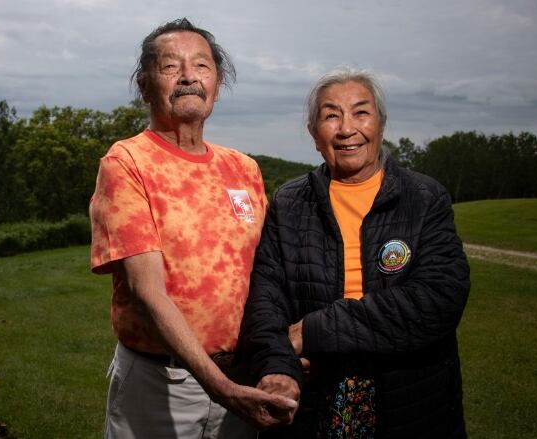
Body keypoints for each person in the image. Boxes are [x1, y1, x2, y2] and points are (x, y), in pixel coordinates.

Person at [89, 17, 298, 439]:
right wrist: (221, 389)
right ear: (145, 86)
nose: (188, 77)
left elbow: (269, 275)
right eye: (170, 67)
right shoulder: (127, 162)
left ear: (217, 84)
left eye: (202, 66)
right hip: (161, 385)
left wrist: (282, 352)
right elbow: (147, 294)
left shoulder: (244, 168)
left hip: (242, 375)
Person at [237, 68, 470, 438]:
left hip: (409, 397)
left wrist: (316, 329)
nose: (347, 128)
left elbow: (438, 299)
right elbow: (267, 296)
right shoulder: (290, 203)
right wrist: (278, 367)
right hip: (314, 396)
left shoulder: (424, 198)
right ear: (315, 135)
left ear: (380, 124)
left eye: (361, 112)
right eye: (331, 115)